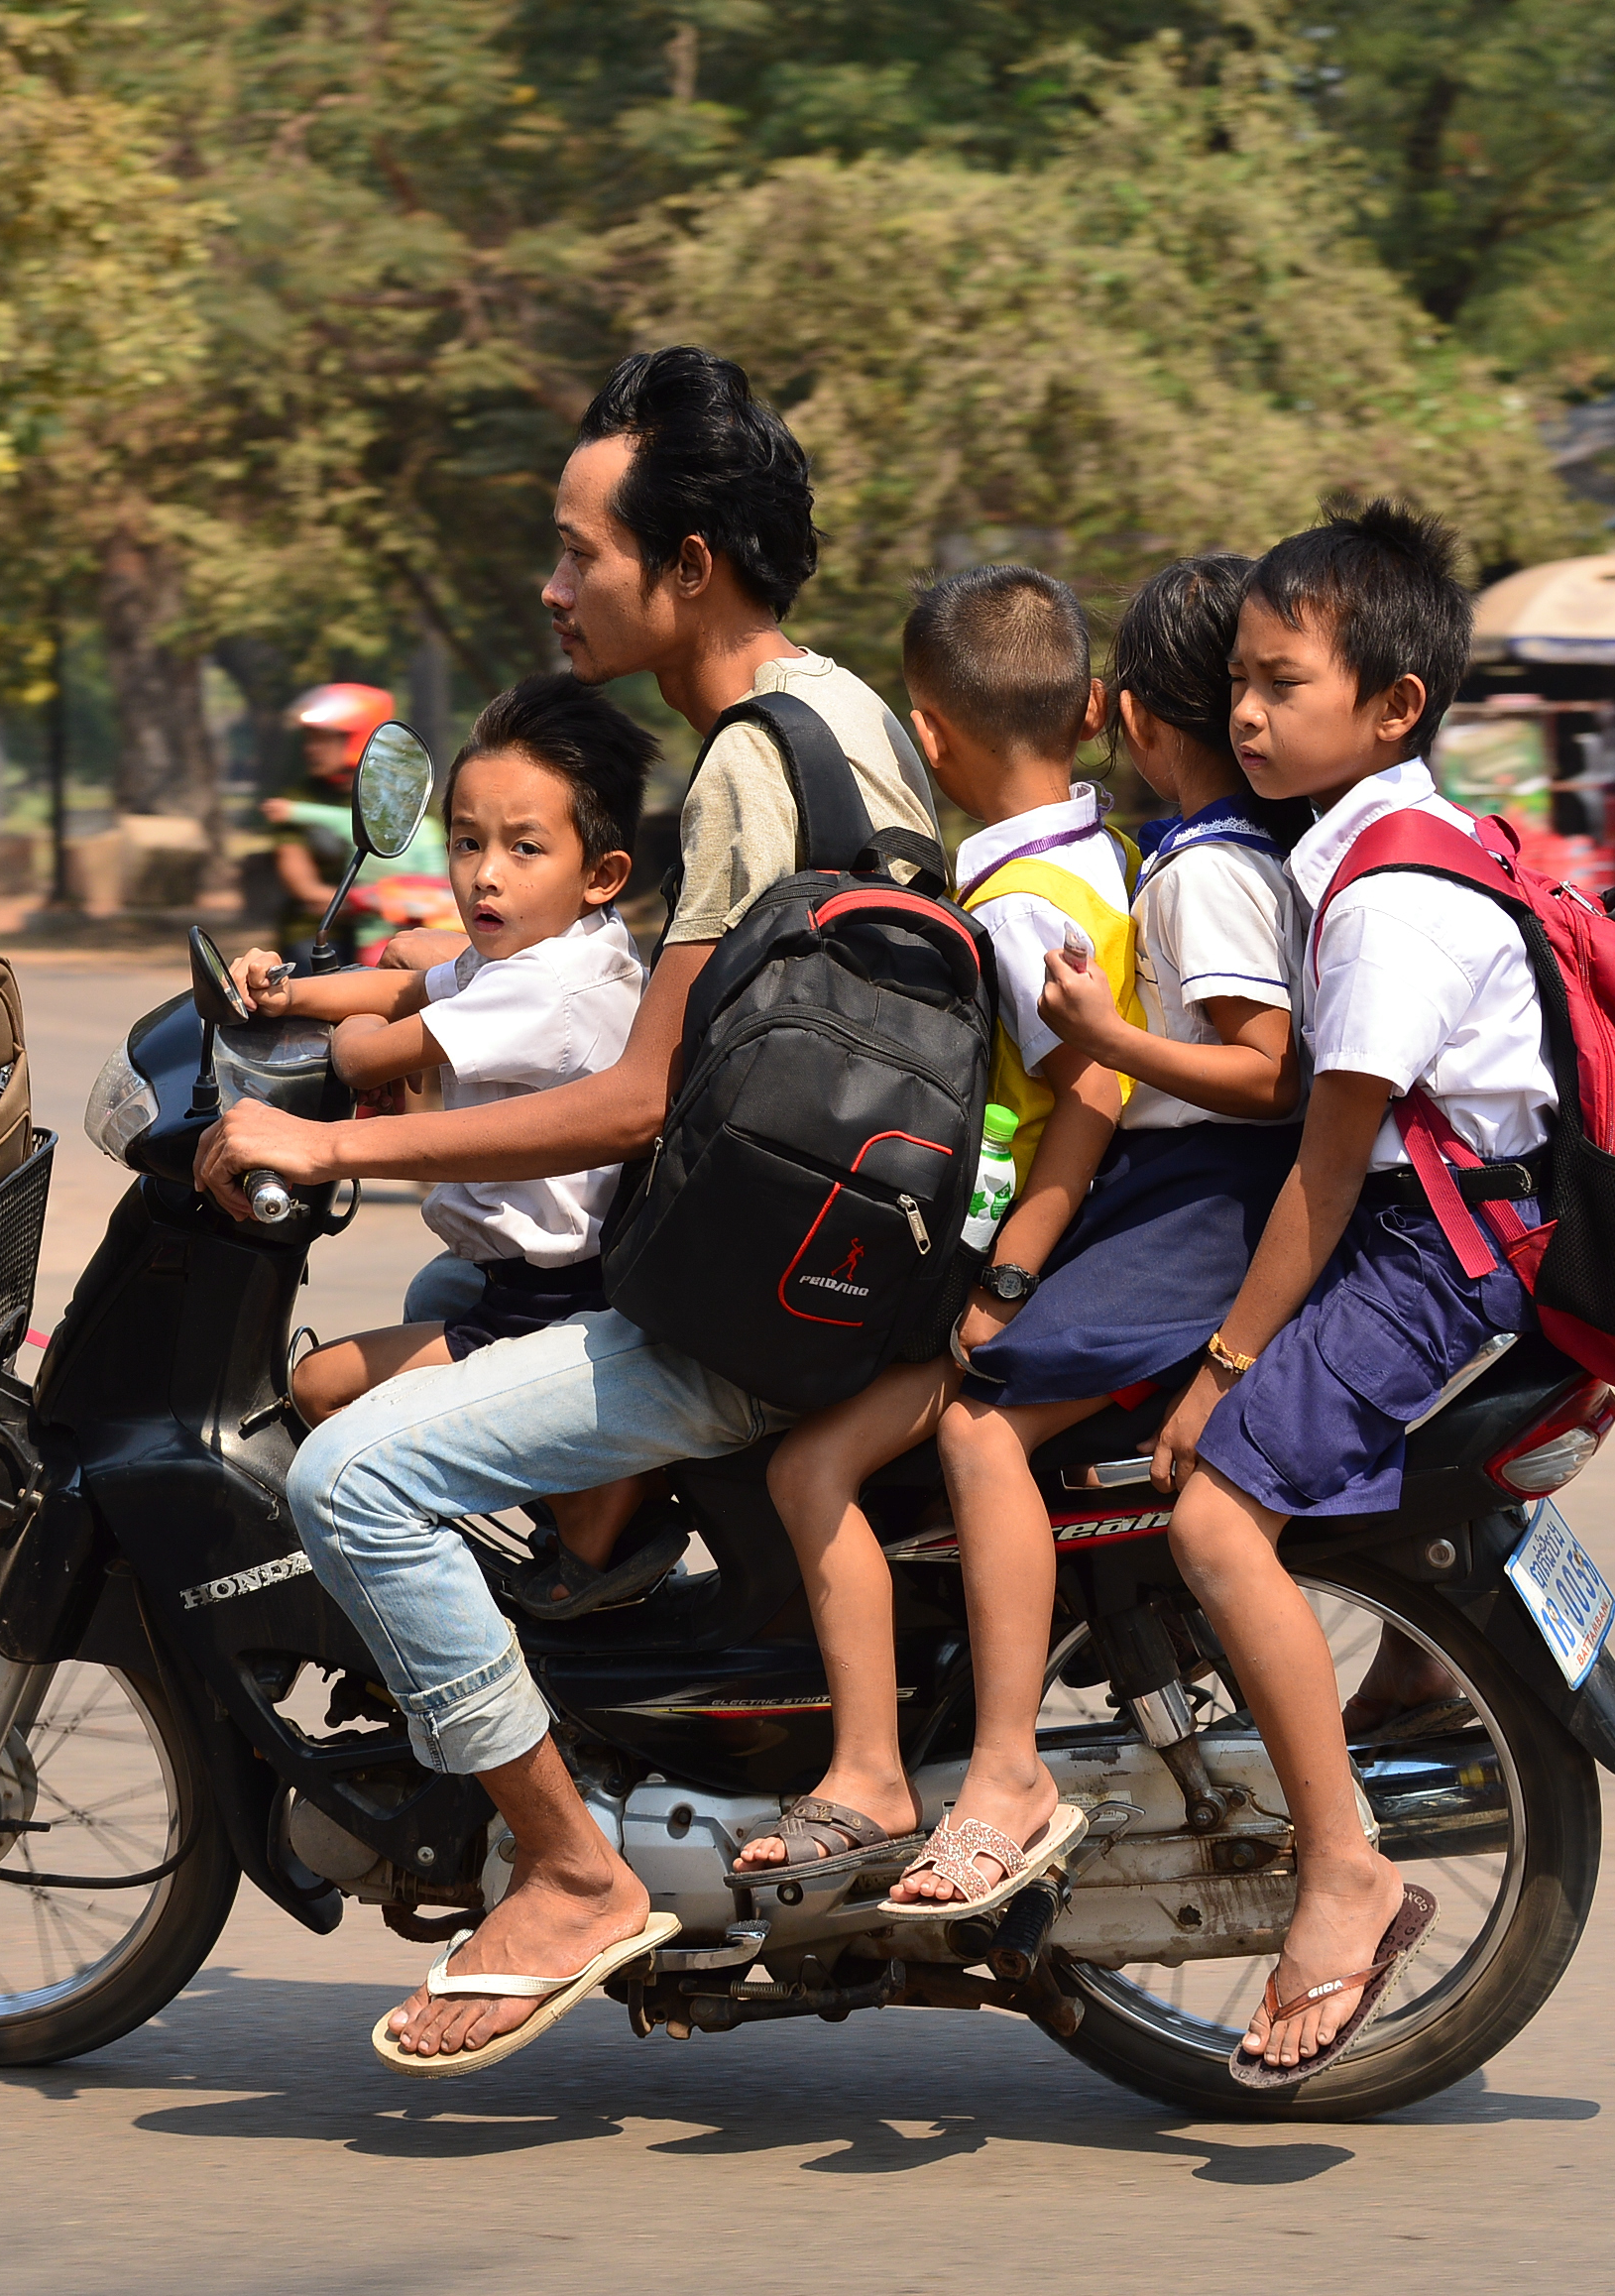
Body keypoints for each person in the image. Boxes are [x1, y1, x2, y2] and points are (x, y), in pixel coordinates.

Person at [192, 345, 940, 2071]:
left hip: (740, 1312)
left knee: (349, 1470)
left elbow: (634, 1096)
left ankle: (561, 1863)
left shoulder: (754, 762)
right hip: (852, 1265)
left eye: (578, 552)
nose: (550, 587)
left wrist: (328, 1150)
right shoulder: (853, 717)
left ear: (684, 567)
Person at [1145, 500, 1551, 2085]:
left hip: (1433, 1251)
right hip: (1441, 1225)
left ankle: (1344, 1870)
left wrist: (1222, 1368)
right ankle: (1421, 1672)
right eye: (1237, 679)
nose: (1246, 712)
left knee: (1207, 1512)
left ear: (1392, 708)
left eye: (1283, 682)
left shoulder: (1388, 899)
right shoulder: (1377, 845)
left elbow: (1329, 1167)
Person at [888, 552, 1316, 1910]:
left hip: (1200, 1199)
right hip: (1183, 1188)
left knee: (974, 1422)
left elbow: (1230, 1073)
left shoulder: (1172, 876)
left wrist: (1007, 1279)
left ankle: (1004, 1765)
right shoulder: (1135, 851)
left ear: (1125, 717)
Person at [728, 565, 1134, 1891]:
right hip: (1079, 1238)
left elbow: (1088, 1091)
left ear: (931, 737)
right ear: (1086, 712)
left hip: (1013, 1253)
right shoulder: (1094, 859)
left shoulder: (1013, 903)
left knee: (805, 1469)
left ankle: (872, 1769)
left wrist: (1004, 1283)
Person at [234, 674, 674, 1617]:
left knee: (317, 1389)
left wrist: (332, 1065)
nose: (485, 873)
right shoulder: (564, 950)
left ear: (601, 874)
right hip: (550, 1278)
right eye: (468, 842)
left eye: (523, 848)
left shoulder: (540, 990)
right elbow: (412, 986)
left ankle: (568, 1553)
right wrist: (285, 995)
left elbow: (372, 1052)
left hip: (550, 1305)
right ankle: (581, 1515)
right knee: (416, 1308)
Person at [259, 683, 447, 956]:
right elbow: (302, 886)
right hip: (320, 932)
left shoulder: (398, 795)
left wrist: (401, 903)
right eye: (309, 739)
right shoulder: (299, 799)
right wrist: (366, 901)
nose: (311, 749)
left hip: (392, 932)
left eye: (323, 739)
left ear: (358, 737)